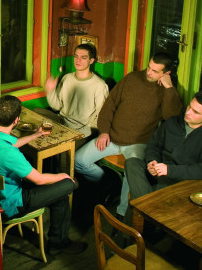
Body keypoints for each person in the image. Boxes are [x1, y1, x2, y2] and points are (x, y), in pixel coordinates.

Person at [74, 52, 183, 219]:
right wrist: (104, 131)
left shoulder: (166, 91)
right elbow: (110, 105)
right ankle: (108, 183)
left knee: (132, 173)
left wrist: (169, 88)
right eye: (149, 67)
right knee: (78, 161)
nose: (149, 72)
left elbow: (172, 118)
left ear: (166, 73)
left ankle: (121, 213)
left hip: (139, 142)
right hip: (112, 137)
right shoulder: (132, 78)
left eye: (155, 71)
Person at [0, 95, 87, 255]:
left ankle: (58, 241)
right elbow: (38, 179)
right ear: (16, 120)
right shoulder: (10, 154)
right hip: (11, 203)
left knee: (59, 192)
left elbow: (12, 142)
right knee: (69, 185)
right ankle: (58, 243)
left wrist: (35, 135)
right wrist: (63, 176)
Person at [125, 92, 202, 200]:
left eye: (196, 112)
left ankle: (142, 204)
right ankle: (146, 204)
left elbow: (199, 170)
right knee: (131, 163)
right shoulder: (172, 122)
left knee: (148, 192)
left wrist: (169, 170)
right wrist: (152, 161)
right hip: (158, 170)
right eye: (189, 106)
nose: (188, 112)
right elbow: (153, 146)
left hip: (179, 180)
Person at [41, 43, 109, 137]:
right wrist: (50, 91)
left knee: (59, 145)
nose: (78, 60)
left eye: (83, 57)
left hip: (81, 130)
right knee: (37, 113)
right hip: (62, 122)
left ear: (91, 61)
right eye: (76, 56)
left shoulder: (100, 85)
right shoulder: (67, 78)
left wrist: (78, 134)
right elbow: (56, 107)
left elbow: (101, 118)